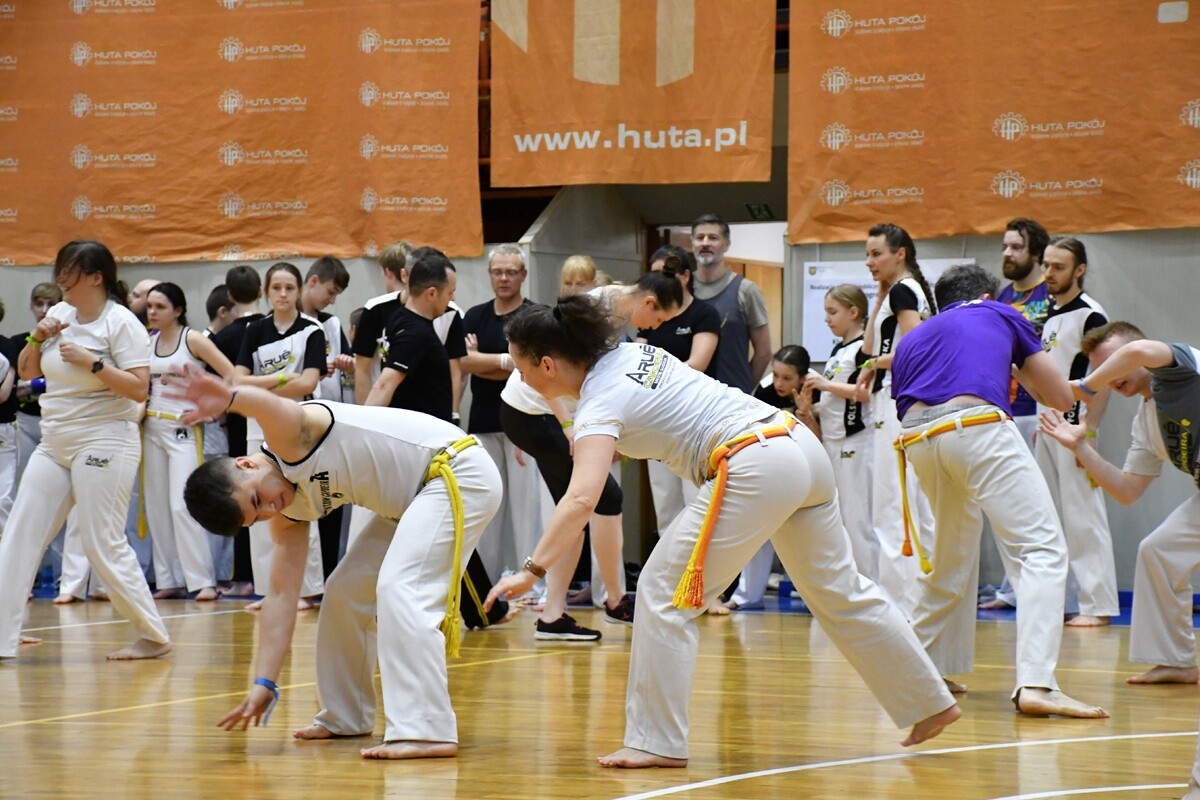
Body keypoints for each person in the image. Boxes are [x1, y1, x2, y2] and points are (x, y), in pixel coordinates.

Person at [487, 295, 960, 768]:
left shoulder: (599, 400)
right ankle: (929, 700)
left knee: (659, 593)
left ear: (547, 364)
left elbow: (581, 498)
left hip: (755, 461)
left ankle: (656, 741)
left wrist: (532, 571)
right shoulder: (633, 353)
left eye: (522, 367)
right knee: (842, 591)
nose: (520, 377)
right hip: (797, 444)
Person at [175, 367, 500, 759]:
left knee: (401, 587)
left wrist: (229, 398)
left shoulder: (288, 439)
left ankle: (426, 729)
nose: (269, 510)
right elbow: (280, 596)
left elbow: (271, 405)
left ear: (246, 464)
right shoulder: (288, 513)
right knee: (343, 594)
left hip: (457, 472)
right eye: (256, 517)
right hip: (410, 503)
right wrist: (264, 681)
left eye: (257, 500)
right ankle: (344, 717)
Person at [889, 263, 1107, 718]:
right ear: (988, 295)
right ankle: (1037, 684)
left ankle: (923, 672)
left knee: (950, 557)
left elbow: (909, 401)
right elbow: (1060, 398)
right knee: (1041, 550)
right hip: (977, 427)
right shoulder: (1000, 313)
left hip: (919, 441)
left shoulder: (913, 338)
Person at [0, 240, 171, 660]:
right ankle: (2, 637)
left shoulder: (121, 323)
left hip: (106, 436)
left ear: (96, 277)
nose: (61, 279)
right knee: (21, 533)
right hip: (56, 439)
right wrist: (38, 339)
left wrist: (93, 363)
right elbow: (26, 370)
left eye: (70, 271)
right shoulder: (58, 314)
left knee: (101, 542)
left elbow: (139, 387)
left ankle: (154, 635)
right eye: (59, 270)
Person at [500, 265, 686, 638]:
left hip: (537, 416)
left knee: (592, 506)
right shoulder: (601, 306)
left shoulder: (617, 312)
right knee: (594, 500)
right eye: (659, 317)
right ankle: (606, 601)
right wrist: (567, 427)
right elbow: (548, 373)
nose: (654, 326)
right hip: (537, 413)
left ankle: (567, 610)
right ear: (648, 301)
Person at [1039, 322, 1200, 686]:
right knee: (1158, 551)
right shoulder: (1145, 421)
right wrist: (1079, 447)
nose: (1105, 377)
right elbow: (1127, 490)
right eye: (1096, 368)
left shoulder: (1182, 368)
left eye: (1108, 365)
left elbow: (1140, 353)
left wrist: (1083, 386)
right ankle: (1176, 661)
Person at [636, 245, 725, 615]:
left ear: (684, 276)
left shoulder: (704, 314)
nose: (656, 285)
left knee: (699, 506)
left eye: (664, 275)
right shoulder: (647, 315)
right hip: (657, 425)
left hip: (696, 425)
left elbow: (697, 365)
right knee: (666, 507)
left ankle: (709, 590)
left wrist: (657, 377)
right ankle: (671, 585)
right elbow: (638, 366)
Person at [855, 222, 938, 617]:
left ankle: (903, 605)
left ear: (900, 253)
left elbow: (917, 347)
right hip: (897, 403)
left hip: (898, 402)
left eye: (877, 254)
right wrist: (879, 297)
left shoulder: (907, 291)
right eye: (868, 254)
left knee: (894, 505)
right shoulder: (898, 291)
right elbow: (868, 345)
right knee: (901, 505)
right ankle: (910, 600)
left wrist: (873, 363)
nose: (870, 261)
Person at [1035, 236, 1118, 627]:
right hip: (1048, 426)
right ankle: (1064, 601)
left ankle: (1098, 605)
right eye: (1047, 266)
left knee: (1083, 515)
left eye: (1059, 267)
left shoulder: (1091, 315)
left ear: (1079, 270)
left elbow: (1104, 376)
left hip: (1074, 427)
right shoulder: (1051, 316)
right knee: (1051, 517)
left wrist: (1090, 430)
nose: (1049, 274)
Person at [234, 262, 326, 606]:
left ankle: (306, 589)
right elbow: (237, 381)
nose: (283, 294)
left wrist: (264, 386)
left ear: (299, 291)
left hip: (297, 424)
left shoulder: (312, 330)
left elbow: (309, 382)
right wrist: (285, 378)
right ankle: (268, 591)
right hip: (257, 425)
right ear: (266, 292)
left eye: (290, 287)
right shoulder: (254, 330)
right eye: (277, 288)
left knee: (300, 504)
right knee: (257, 504)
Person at [141, 282, 236, 601]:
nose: (152, 312)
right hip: (152, 428)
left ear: (179, 310)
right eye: (150, 306)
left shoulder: (192, 339)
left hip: (184, 430)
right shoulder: (148, 341)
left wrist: (211, 408)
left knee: (183, 505)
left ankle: (202, 581)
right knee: (156, 507)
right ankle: (169, 578)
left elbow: (230, 374)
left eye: (160, 307)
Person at [982, 217, 1054, 610]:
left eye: (1016, 247)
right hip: (1002, 411)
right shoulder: (1000, 297)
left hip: (1038, 410)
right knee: (1004, 506)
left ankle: (1044, 592)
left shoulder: (1050, 295)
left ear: (1037, 254)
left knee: (1039, 508)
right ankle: (1011, 589)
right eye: (1005, 247)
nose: (1007, 254)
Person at [461, 244, 543, 578]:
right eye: (498, 271)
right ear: (489, 275)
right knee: (486, 506)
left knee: (527, 509)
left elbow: (534, 367)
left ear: (523, 275)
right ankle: (488, 584)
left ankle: (531, 583)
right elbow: (465, 362)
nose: (504, 278)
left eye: (511, 271)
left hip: (526, 423)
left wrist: (488, 362)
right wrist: (511, 362)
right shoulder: (474, 316)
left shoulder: (537, 315)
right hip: (482, 421)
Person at [802, 284, 875, 583]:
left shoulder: (864, 349)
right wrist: (809, 408)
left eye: (833, 312)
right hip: (831, 441)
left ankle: (872, 587)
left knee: (859, 521)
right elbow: (833, 402)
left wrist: (824, 385)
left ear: (854, 312)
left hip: (855, 441)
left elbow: (866, 393)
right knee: (840, 520)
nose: (827, 319)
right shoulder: (837, 350)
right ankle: (848, 585)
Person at [210, 265, 264, 597]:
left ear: (230, 296)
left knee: (242, 492)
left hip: (238, 423)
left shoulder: (223, 338)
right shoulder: (270, 330)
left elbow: (219, 386)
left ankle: (245, 575)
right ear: (261, 291)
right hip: (269, 416)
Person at [299, 256, 353, 579]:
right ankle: (305, 578)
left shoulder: (331, 324)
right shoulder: (285, 327)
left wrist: (343, 363)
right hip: (299, 417)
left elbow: (347, 367)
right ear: (314, 280)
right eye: (330, 292)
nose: (331, 300)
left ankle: (330, 573)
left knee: (330, 496)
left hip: (330, 419)